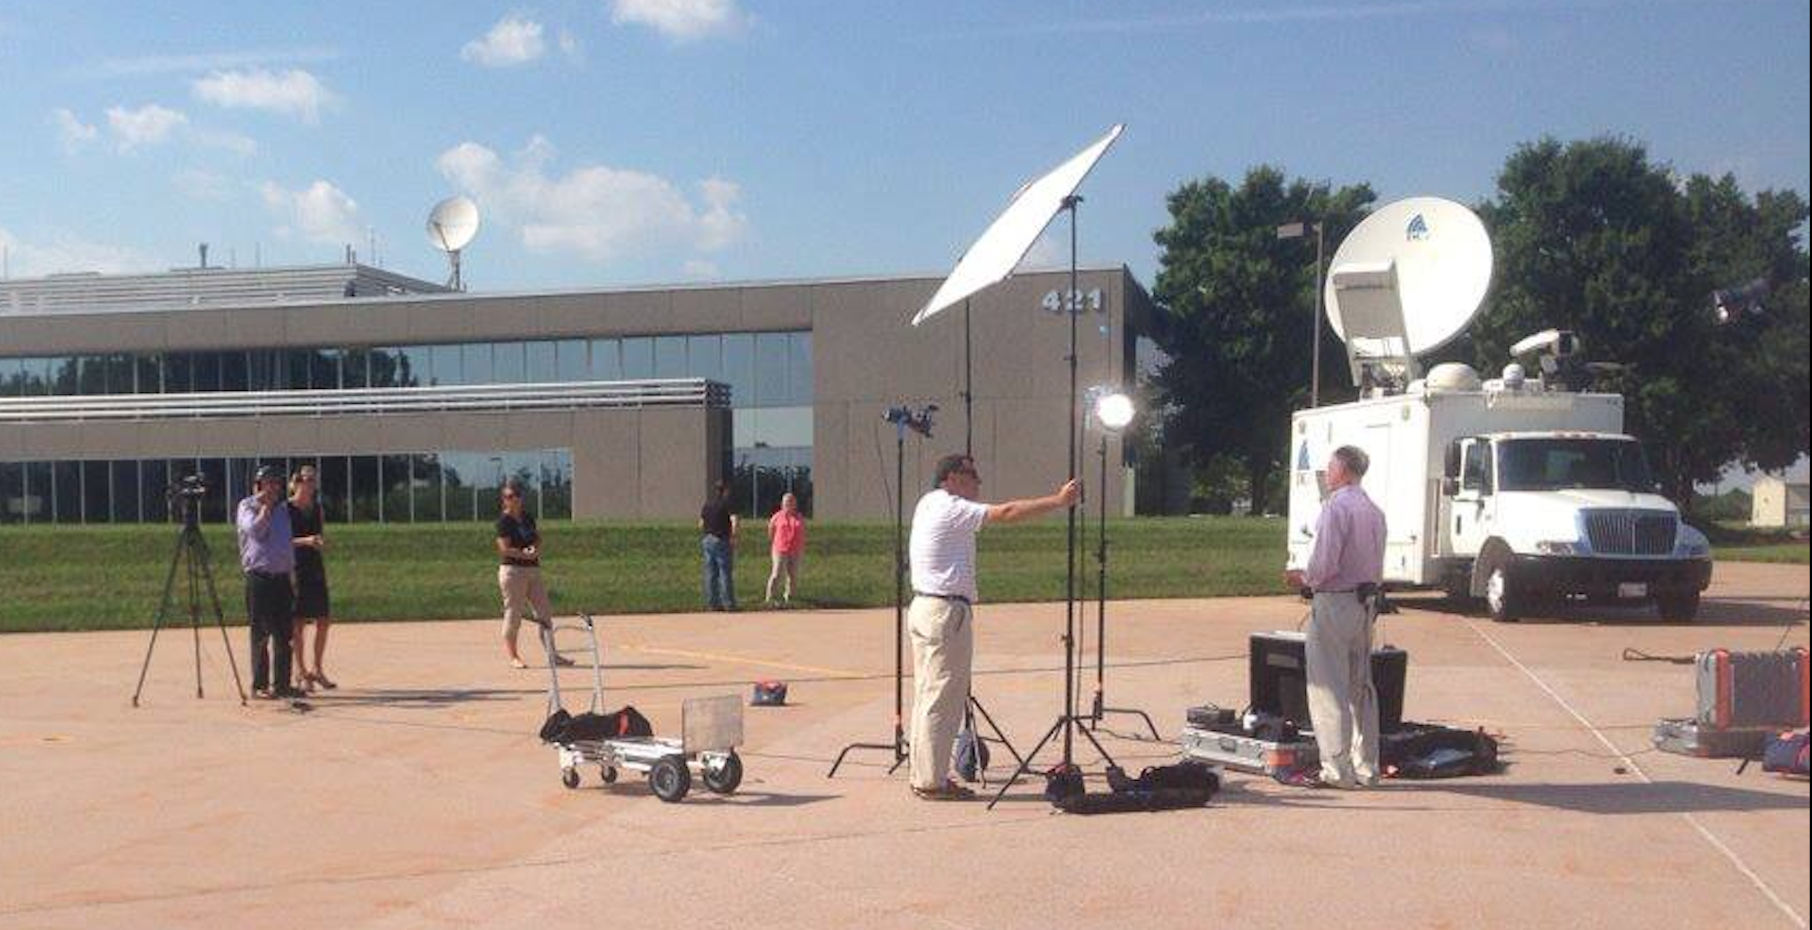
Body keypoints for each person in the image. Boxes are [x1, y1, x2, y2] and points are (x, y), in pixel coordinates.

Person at [906, 454, 1079, 801]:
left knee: (928, 696)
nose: (977, 483)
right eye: (972, 476)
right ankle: (932, 782)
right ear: (952, 477)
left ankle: (925, 775)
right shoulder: (950, 506)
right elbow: (1006, 513)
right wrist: (1058, 501)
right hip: (945, 610)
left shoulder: (928, 504)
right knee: (943, 698)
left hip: (926, 607)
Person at [1284, 445, 1388, 789]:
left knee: (1328, 686)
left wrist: (1304, 577)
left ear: (1343, 470)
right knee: (1362, 687)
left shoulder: (1335, 507)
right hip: (1365, 601)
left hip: (1336, 600)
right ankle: (1367, 767)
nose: (1326, 474)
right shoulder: (1373, 510)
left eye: (1330, 468)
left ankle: (1336, 769)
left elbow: (1325, 562)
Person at [237, 464, 299, 700]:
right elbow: (255, 531)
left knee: (285, 634)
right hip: (259, 579)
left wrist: (292, 574)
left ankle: (282, 684)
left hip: (281, 579)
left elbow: (285, 544)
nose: (274, 488)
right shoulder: (247, 507)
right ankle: (260, 684)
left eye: (276, 484)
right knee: (260, 633)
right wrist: (265, 508)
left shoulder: (284, 511)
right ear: (258, 485)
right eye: (269, 483)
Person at [495, 481, 570, 669]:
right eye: (509, 497)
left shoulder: (527, 517)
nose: (513, 500)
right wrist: (523, 554)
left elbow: (536, 538)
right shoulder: (504, 522)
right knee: (514, 613)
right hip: (513, 571)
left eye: (516, 496)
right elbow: (504, 549)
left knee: (544, 612)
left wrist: (534, 549)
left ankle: (553, 655)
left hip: (533, 570)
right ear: (504, 500)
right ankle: (514, 655)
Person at [287, 465, 336, 692]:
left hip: (314, 564)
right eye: (305, 479)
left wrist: (320, 543)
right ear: (296, 482)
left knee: (323, 619)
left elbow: (321, 534)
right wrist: (306, 541)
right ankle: (301, 670)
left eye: (313, 480)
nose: (309, 484)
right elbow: (282, 541)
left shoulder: (317, 508)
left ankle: (317, 668)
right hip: (295, 565)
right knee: (297, 622)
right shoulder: (287, 509)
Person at [699, 480, 739, 611]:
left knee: (711, 573)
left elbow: (700, 523)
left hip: (707, 539)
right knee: (725, 572)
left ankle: (712, 604)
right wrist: (734, 536)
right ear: (726, 491)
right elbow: (734, 520)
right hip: (722, 539)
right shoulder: (727, 504)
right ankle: (729, 603)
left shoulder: (707, 504)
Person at [765, 492, 806, 605]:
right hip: (780, 549)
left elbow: (802, 532)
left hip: (795, 549)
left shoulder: (799, 517)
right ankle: (770, 596)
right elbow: (771, 530)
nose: (789, 504)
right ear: (782, 504)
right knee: (777, 573)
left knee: (793, 575)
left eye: (792, 501)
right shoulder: (777, 516)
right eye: (787, 502)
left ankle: (789, 597)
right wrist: (775, 543)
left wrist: (801, 547)